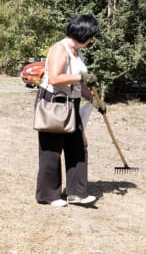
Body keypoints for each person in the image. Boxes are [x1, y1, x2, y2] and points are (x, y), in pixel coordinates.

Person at [35, 14, 102, 207]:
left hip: (72, 104)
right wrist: (81, 78)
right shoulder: (60, 48)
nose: (92, 40)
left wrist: (94, 99)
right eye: (91, 36)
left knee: (78, 147)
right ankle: (48, 195)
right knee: (51, 151)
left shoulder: (77, 51)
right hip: (54, 104)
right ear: (84, 34)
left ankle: (77, 193)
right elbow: (55, 78)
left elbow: (79, 82)